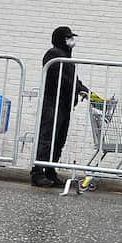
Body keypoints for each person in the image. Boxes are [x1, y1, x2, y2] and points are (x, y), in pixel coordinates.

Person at [31, 26, 89, 188]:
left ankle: (50, 171)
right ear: (60, 40)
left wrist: (84, 89)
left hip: (64, 104)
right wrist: (78, 89)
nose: (71, 41)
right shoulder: (53, 54)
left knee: (59, 140)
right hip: (52, 103)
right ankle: (37, 172)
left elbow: (73, 79)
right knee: (47, 138)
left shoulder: (66, 57)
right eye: (68, 38)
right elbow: (62, 79)